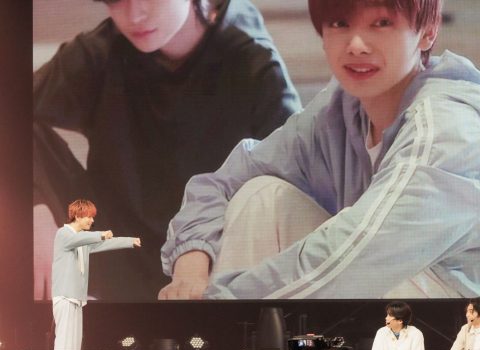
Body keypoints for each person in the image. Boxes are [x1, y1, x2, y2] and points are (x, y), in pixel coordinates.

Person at [158, 0, 480, 300]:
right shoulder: (341, 111)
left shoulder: (448, 129)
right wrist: (192, 265)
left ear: (427, 33)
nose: (356, 45)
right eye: (340, 24)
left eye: (382, 23)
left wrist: (218, 303)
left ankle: (226, 343)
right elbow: (224, 182)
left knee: (348, 262)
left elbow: (356, 252)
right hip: (400, 299)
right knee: (261, 195)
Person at [33, 0, 301, 299]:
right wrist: (35, 207)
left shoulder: (254, 62)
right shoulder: (103, 48)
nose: (134, 15)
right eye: (116, 0)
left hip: (211, 264)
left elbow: (295, 183)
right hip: (115, 250)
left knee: (273, 190)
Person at [52, 199, 141, 350]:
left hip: (77, 298)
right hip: (65, 297)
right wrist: (101, 234)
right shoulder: (63, 234)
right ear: (77, 216)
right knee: (64, 341)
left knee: (75, 344)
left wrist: (130, 241)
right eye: (89, 216)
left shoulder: (82, 239)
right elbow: (78, 239)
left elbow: (104, 243)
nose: (92, 220)